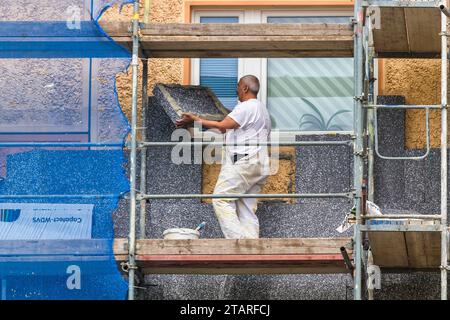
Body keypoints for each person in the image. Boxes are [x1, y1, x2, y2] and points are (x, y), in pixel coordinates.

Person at [176, 75, 272, 239]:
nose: (236, 91)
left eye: (238, 87)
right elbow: (227, 124)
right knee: (246, 207)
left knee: (221, 199)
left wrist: (196, 119)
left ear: (245, 88)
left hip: (244, 160)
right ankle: (252, 245)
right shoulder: (262, 110)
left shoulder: (245, 107)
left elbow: (222, 126)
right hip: (260, 164)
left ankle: (239, 243)